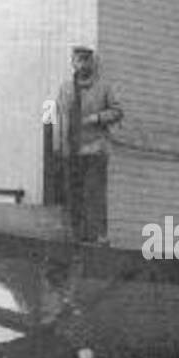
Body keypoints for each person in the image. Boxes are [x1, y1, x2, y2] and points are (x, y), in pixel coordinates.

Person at [53, 45, 122, 243]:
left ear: (92, 63)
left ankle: (99, 234)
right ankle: (76, 235)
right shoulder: (65, 88)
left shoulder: (104, 87)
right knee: (73, 194)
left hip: (95, 149)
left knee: (94, 193)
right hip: (72, 149)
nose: (83, 64)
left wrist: (97, 117)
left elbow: (117, 111)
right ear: (73, 63)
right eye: (79, 60)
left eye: (86, 60)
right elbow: (57, 114)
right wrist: (57, 143)